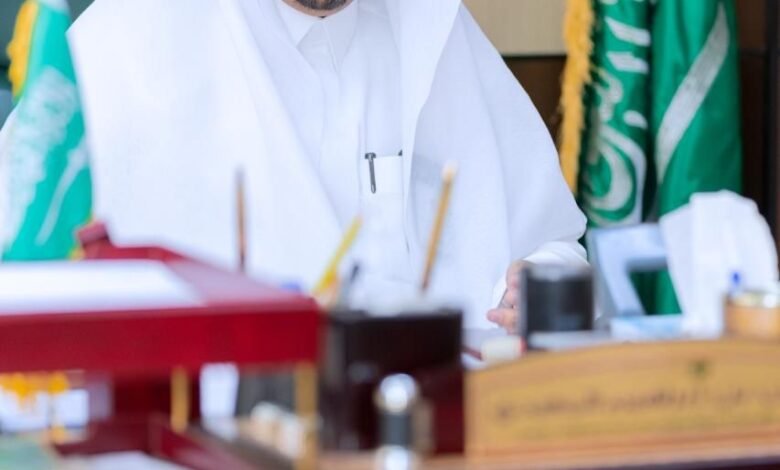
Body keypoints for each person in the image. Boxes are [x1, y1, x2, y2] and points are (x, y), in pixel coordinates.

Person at [1, 0, 587, 331]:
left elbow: (553, 248)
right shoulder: (122, 47)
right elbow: (25, 259)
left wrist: (531, 289)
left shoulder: (435, 28)